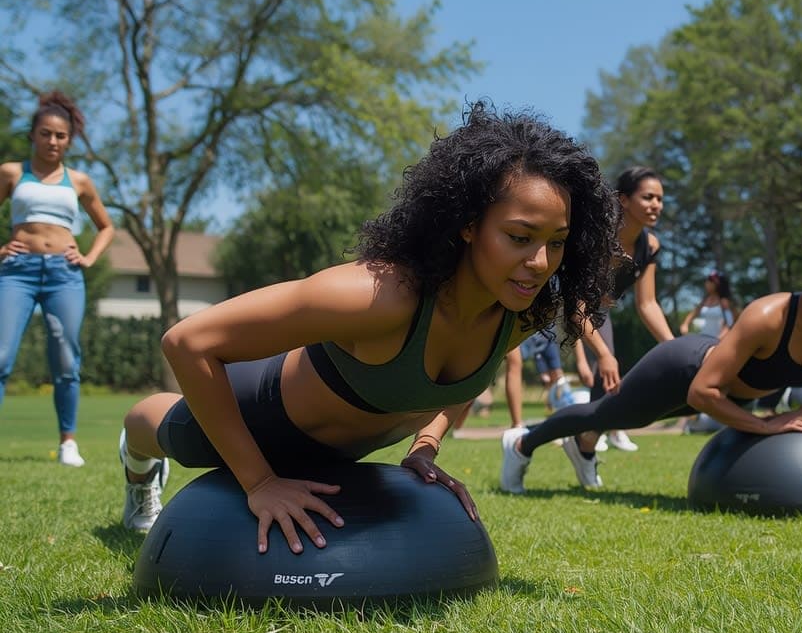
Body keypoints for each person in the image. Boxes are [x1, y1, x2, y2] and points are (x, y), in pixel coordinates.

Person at [118, 102, 620, 544]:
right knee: (161, 428)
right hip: (260, 417)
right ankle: (136, 465)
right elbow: (188, 341)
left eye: (556, 242)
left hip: (340, 457)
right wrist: (260, 483)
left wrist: (425, 445)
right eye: (519, 236)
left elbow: (465, 380)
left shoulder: (521, 311)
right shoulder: (379, 296)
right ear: (468, 224)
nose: (540, 261)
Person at [501, 216, 802, 492]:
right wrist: (767, 426)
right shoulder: (768, 317)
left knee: (606, 418)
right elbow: (702, 392)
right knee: (607, 414)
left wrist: (798, 414)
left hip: (725, 394)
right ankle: (521, 443)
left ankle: (580, 448)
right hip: (683, 370)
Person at [0, 91, 116, 466]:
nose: (53, 141)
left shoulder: (79, 181)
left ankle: (68, 442)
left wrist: (88, 257)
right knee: (1, 356)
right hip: (17, 272)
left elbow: (106, 227)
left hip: (64, 275)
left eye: (61, 136)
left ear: (69, 140)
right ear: (33, 134)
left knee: (66, 359)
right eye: (46, 133)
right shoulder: (12, 173)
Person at [578, 166, 676, 452]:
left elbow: (647, 304)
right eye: (648, 197)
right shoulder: (598, 236)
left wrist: (675, 349)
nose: (656, 205)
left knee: (605, 380)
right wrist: (604, 354)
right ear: (623, 199)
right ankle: (524, 442)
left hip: (597, 311)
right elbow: (575, 304)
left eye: (660, 199)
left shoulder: (650, 246)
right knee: (604, 368)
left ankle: (584, 445)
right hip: (563, 304)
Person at [680, 270, 736, 338]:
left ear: (717, 284)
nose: (707, 283)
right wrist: (685, 324)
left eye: (710, 281)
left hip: (717, 341)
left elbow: (729, 323)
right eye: (707, 281)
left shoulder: (723, 302)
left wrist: (719, 339)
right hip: (703, 339)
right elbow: (693, 313)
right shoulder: (704, 301)